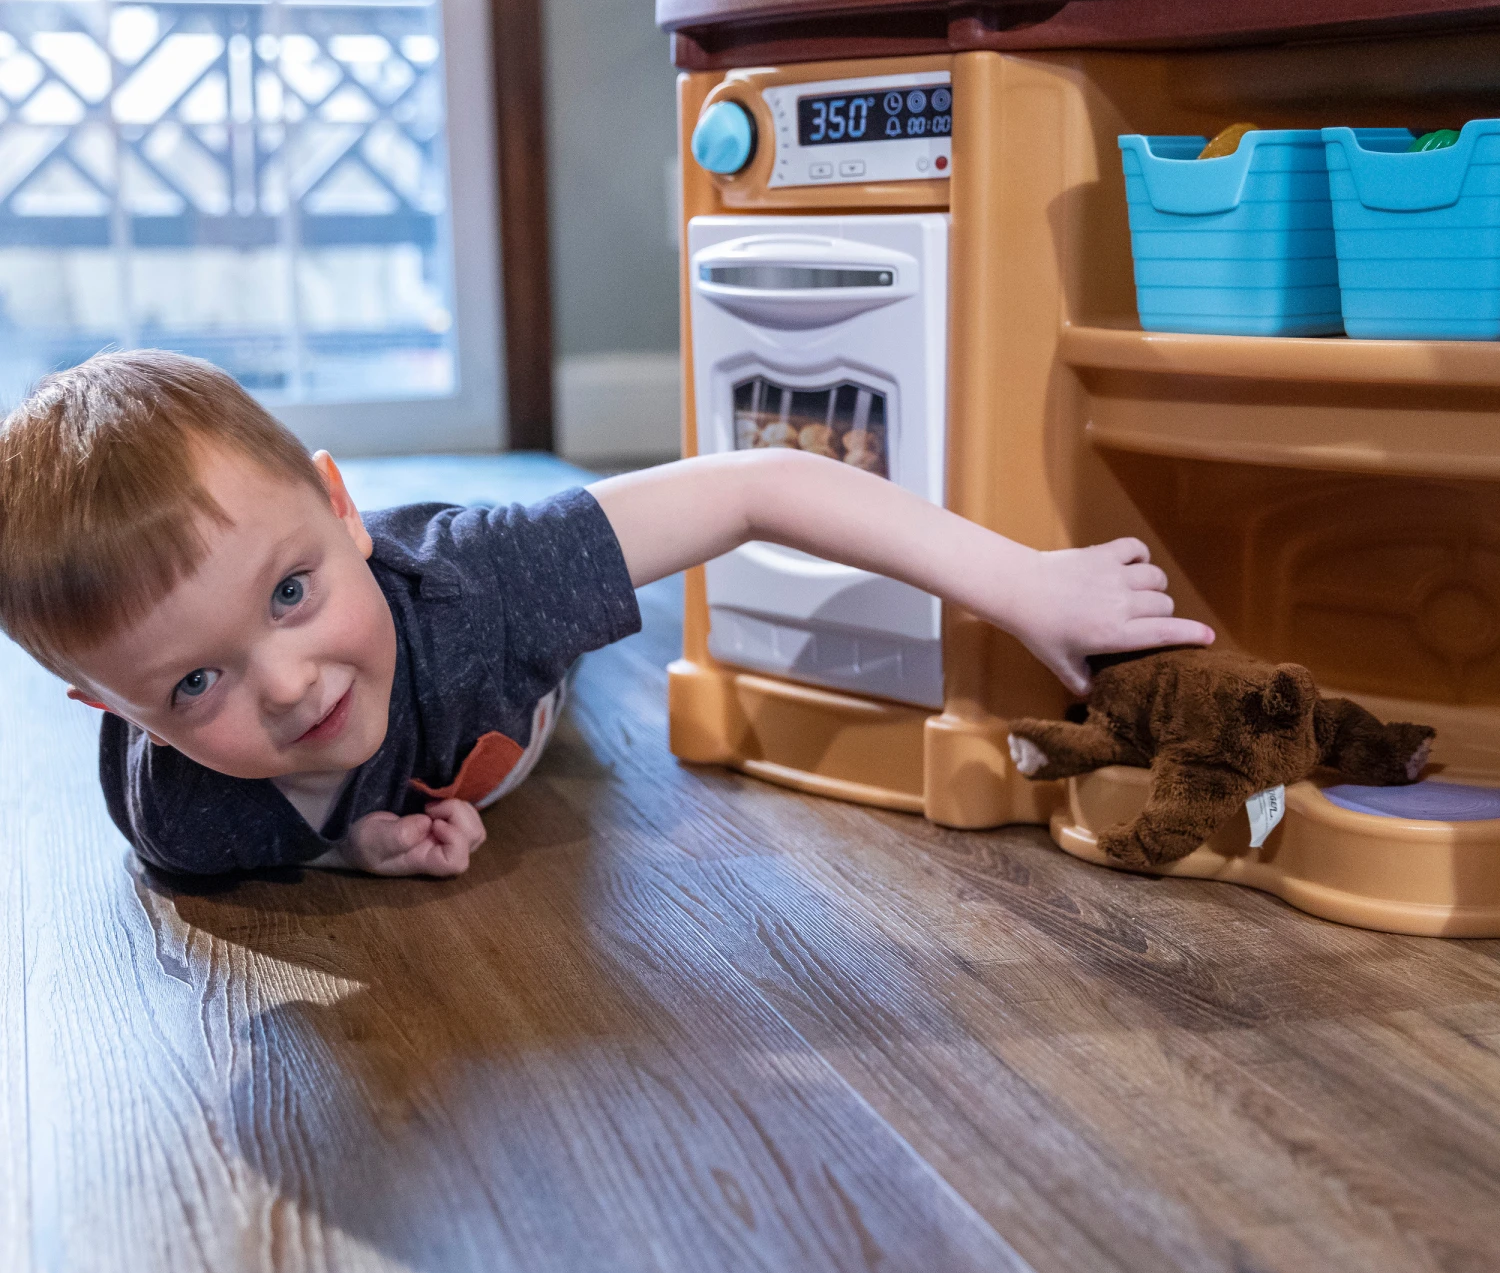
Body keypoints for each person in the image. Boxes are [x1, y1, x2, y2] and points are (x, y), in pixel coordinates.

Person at [0, 351, 1213, 878]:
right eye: (193, 685)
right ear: (109, 710)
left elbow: (759, 483)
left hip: (467, 573)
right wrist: (350, 855)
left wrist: (1024, 584)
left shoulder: (494, 588)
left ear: (336, 504)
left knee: (560, 583)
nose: (285, 683)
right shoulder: (185, 820)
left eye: (290, 592)